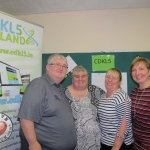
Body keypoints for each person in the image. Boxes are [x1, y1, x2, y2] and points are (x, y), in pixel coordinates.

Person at [18, 54, 77, 150]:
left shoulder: (59, 88)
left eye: (64, 66)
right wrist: (33, 143)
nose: (61, 68)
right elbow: (26, 117)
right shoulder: (39, 85)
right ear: (47, 67)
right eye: (57, 64)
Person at [63, 66, 105, 150]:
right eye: (76, 76)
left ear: (87, 77)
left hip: (96, 142)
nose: (80, 79)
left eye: (83, 76)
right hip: (72, 143)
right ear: (72, 78)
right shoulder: (63, 94)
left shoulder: (96, 90)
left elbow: (110, 100)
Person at [98, 68, 133, 150]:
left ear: (119, 81)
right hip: (106, 142)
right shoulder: (103, 96)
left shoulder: (121, 97)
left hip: (119, 144)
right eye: (108, 77)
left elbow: (125, 125)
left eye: (114, 78)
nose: (110, 80)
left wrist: (116, 147)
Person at [130, 57, 150, 150]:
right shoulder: (133, 92)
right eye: (134, 70)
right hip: (136, 144)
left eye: (141, 69)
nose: (137, 73)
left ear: (149, 72)